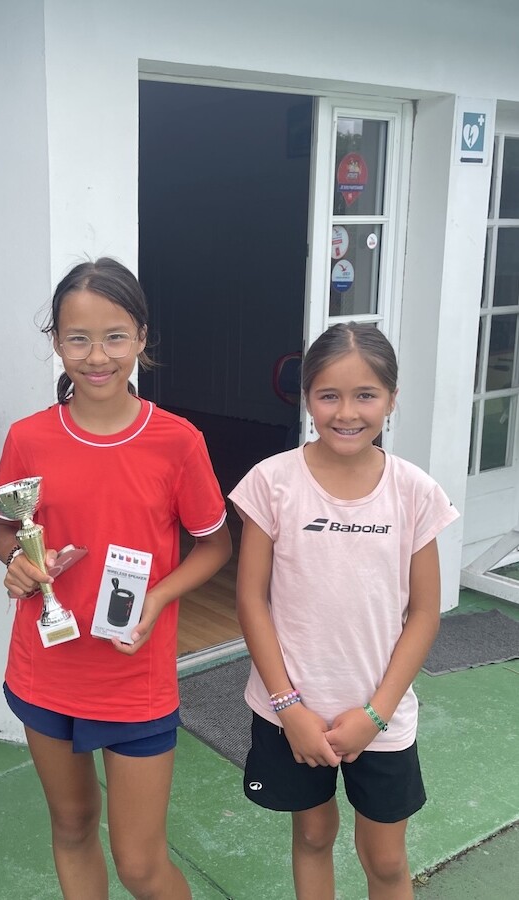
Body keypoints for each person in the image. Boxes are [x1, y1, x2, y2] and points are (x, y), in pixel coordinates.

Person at [0, 258, 232, 900]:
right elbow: (5, 530)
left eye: (115, 337)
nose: (97, 357)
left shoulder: (177, 442)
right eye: (78, 339)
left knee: (140, 864)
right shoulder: (29, 438)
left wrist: (158, 597)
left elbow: (214, 545)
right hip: (46, 670)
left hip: (134, 677)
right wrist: (19, 564)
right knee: (72, 828)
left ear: (142, 338)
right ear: (56, 342)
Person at [230, 323, 459, 900]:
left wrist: (376, 714)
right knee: (312, 834)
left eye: (366, 395)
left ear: (391, 399)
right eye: (329, 395)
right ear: (306, 397)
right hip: (292, 711)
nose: (347, 412)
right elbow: (251, 599)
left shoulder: (414, 492)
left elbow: (424, 613)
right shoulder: (272, 482)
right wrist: (289, 707)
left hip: (381, 716)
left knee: (385, 858)